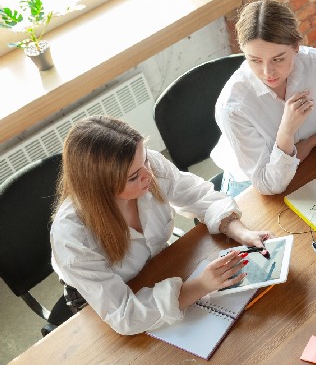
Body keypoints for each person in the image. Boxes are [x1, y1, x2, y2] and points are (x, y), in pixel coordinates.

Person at [51, 116, 273, 335]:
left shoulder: (146, 166)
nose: (149, 174)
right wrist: (199, 286)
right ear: (101, 186)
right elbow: (123, 314)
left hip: (156, 266)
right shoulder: (72, 235)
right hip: (100, 296)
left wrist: (240, 232)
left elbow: (197, 195)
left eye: (145, 159)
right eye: (134, 176)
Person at [211, 0, 316, 196]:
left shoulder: (313, 62)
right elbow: (266, 184)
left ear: (296, 46)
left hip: (311, 162)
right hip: (252, 189)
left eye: (278, 59)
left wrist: (311, 142)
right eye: (255, 60)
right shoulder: (234, 107)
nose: (268, 72)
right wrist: (286, 132)